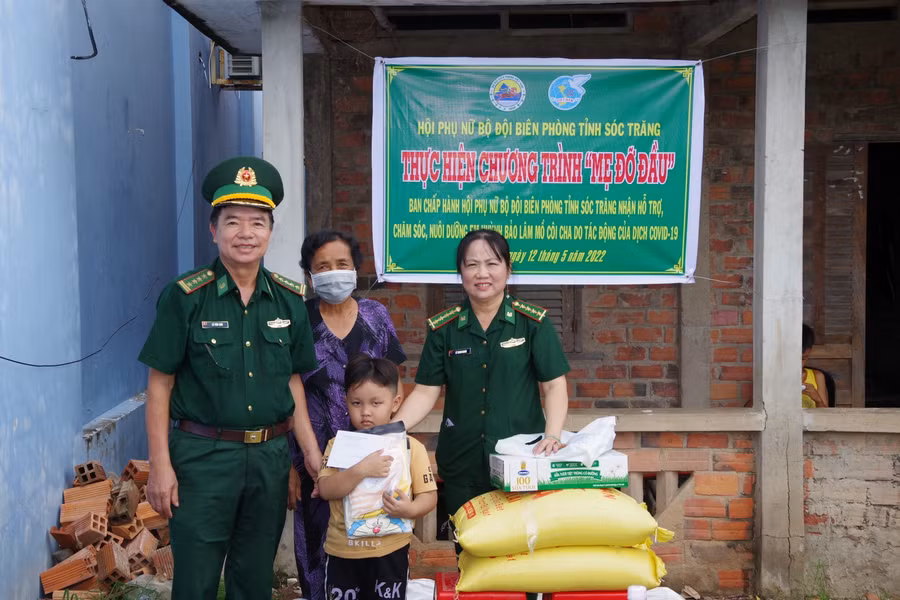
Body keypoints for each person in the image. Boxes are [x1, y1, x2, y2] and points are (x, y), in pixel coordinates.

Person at [139, 156, 319, 599]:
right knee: (197, 581)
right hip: (203, 458)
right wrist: (160, 466)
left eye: (257, 222)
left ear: (271, 231)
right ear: (212, 229)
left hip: (269, 460)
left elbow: (293, 382)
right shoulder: (186, 298)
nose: (245, 233)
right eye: (233, 221)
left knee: (254, 580)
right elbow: (159, 384)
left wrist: (312, 456)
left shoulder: (289, 300)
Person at [392, 229, 570, 519]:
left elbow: (554, 386)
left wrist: (552, 434)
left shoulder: (533, 323)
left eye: (492, 263)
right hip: (462, 463)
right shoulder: (444, 329)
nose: (481, 273)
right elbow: (425, 392)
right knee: (468, 549)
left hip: (521, 462)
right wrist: (391, 429)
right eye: (472, 264)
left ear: (508, 270)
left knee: (520, 552)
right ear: (460, 272)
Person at [288, 230, 406, 600]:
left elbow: (394, 381)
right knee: (316, 550)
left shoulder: (375, 316)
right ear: (309, 275)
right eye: (323, 266)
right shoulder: (298, 319)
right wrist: (298, 460)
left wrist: (397, 442)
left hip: (375, 457)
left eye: (342, 264)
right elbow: (291, 391)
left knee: (376, 546)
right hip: (315, 459)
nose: (333, 272)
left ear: (355, 269)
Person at [317, 355, 437, 600]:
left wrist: (409, 508)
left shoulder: (411, 447)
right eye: (357, 403)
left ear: (395, 403)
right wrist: (361, 469)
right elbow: (326, 489)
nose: (366, 412)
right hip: (344, 552)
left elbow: (429, 496)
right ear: (346, 402)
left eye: (376, 403)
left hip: (391, 550)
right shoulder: (338, 445)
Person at [802, 323, 828, 408]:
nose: (799, 364)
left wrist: (818, 399)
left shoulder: (817, 376)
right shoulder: (777, 377)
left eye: (803, 359)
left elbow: (826, 415)